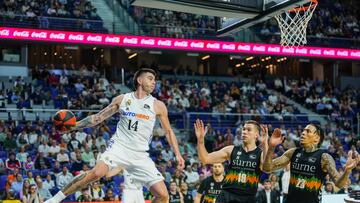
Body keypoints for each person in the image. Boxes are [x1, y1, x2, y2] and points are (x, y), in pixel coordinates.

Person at [46, 68, 184, 203]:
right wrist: (74, 126)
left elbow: (168, 131)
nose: (154, 82)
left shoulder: (158, 105)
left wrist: (178, 154)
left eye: (155, 79)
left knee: (163, 196)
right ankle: (54, 199)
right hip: (119, 148)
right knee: (97, 173)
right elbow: (97, 118)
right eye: (150, 78)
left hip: (140, 154)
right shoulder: (122, 99)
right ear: (139, 80)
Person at [263, 123, 360, 203]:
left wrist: (347, 170)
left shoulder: (324, 157)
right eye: (304, 130)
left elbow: (339, 184)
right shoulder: (293, 152)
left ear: (317, 138)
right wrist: (271, 147)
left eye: (308, 131)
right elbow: (267, 168)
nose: (303, 133)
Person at [194, 119, 269, 203]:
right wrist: (200, 141)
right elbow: (205, 159)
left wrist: (265, 144)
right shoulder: (231, 150)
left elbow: (267, 167)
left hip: (248, 198)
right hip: (227, 196)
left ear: (256, 135)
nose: (244, 132)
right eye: (244, 129)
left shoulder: (260, 154)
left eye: (249, 130)